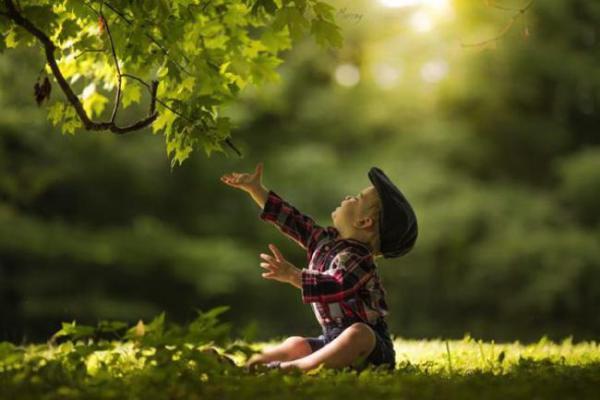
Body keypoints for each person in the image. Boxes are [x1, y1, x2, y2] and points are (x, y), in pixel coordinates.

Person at [220, 163, 418, 373]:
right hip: (331, 339)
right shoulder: (326, 242)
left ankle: (284, 370)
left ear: (364, 221)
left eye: (357, 198)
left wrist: (293, 275)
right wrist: (256, 190)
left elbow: (336, 286)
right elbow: (294, 221)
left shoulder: (359, 258)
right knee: (296, 343)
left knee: (359, 333)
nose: (349, 197)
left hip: (372, 352)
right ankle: (242, 365)